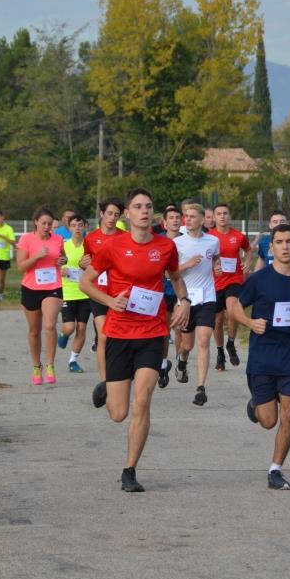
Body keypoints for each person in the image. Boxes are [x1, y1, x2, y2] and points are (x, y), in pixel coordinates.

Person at [79, 188, 190, 492]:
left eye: (149, 206)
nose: (144, 211)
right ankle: (107, 387)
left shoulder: (166, 246)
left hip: (152, 333)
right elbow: (86, 282)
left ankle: (130, 470)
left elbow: (176, 277)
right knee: (119, 413)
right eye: (138, 207)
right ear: (127, 214)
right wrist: (109, 300)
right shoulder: (112, 247)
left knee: (142, 399)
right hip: (118, 333)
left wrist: (184, 302)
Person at [227, 224, 290, 490]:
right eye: (279, 242)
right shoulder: (259, 280)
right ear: (272, 247)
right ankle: (257, 404)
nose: (285, 246)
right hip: (263, 357)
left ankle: (275, 470)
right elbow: (233, 306)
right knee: (269, 421)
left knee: (289, 411)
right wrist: (249, 322)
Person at [173, 203, 220, 406]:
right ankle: (182, 361)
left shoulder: (213, 241)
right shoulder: (177, 243)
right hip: (185, 300)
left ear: (202, 220)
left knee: (203, 340)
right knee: (187, 345)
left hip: (207, 297)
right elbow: (170, 274)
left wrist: (216, 266)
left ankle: (200, 387)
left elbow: (215, 258)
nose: (188, 220)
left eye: (192, 216)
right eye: (186, 216)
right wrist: (187, 265)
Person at [16, 206, 66, 385]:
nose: (46, 227)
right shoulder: (26, 239)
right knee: (34, 332)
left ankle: (50, 364)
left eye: (49, 224)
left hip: (52, 286)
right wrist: (36, 257)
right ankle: (37, 366)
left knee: (50, 324)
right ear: (36, 222)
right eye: (43, 223)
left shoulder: (58, 239)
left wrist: (62, 260)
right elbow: (21, 267)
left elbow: (63, 257)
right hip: (31, 288)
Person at [82, 199, 125, 396]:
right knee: (104, 336)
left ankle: (120, 374)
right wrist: (84, 265)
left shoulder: (125, 237)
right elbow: (87, 264)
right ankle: (104, 381)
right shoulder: (91, 238)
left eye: (116, 215)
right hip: (99, 293)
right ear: (101, 214)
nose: (112, 218)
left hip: (120, 293)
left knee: (118, 336)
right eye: (109, 214)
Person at [209, 203, 251, 371]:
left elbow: (248, 250)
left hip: (234, 279)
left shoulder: (238, 236)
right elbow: (205, 257)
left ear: (229, 216)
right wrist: (213, 265)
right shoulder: (209, 237)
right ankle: (220, 352)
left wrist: (247, 263)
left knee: (232, 310)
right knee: (217, 320)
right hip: (215, 281)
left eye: (225, 213)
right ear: (214, 217)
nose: (222, 216)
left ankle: (231, 343)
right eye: (218, 213)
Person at [57, 212, 92, 373]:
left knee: (82, 328)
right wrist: (60, 268)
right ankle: (63, 335)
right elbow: (55, 263)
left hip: (85, 292)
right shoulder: (63, 245)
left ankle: (73, 360)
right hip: (68, 291)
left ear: (85, 227)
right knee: (70, 327)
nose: (77, 228)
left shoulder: (90, 246)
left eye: (80, 225)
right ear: (69, 228)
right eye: (73, 225)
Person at [158, 204, 182, 388]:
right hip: (162, 291)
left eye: (177, 217)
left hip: (181, 290)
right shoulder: (157, 241)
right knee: (165, 331)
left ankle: (181, 361)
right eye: (171, 218)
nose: (175, 220)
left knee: (179, 328)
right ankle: (163, 364)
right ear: (164, 223)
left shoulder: (187, 240)